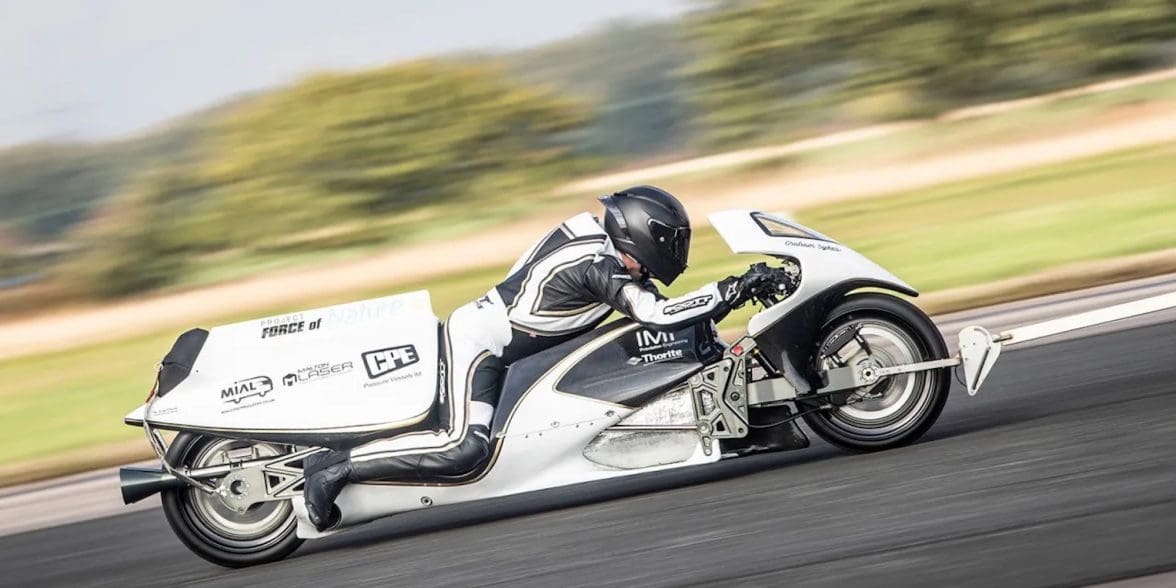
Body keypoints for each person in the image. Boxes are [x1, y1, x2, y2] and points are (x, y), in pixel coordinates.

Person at [303, 185, 785, 530]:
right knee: (466, 451)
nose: (673, 252)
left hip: (498, 342)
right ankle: (335, 467)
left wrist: (728, 293)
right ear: (641, 235)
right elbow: (655, 314)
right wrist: (731, 288)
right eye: (669, 242)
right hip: (479, 346)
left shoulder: (598, 244)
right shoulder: (599, 267)